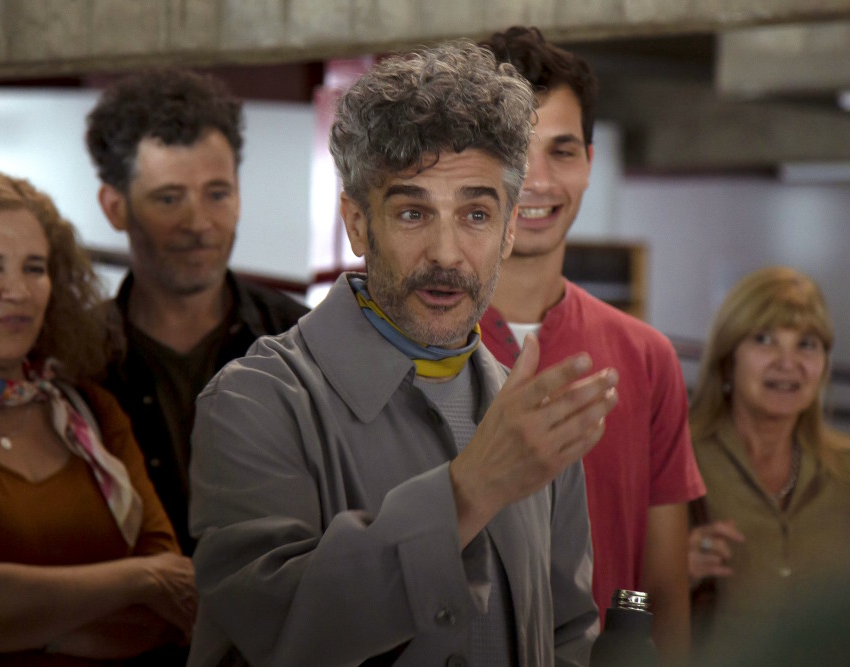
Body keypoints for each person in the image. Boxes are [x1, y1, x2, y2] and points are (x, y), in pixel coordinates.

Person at [187, 40, 620, 666]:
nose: (446, 253)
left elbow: (568, 633)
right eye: (413, 213)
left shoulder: (530, 417)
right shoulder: (254, 402)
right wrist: (468, 491)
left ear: (507, 232)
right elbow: (278, 630)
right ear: (358, 224)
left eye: (476, 215)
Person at [478, 26, 706, 660]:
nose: (537, 181)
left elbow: (660, 594)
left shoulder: (646, 358)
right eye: (511, 151)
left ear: (590, 162)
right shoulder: (415, 347)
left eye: (562, 150)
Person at [0, 164, 196, 666]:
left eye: (34, 268)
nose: (18, 290)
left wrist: (25, 632)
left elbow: (173, 601)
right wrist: (135, 579)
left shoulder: (90, 411)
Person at [85, 69, 309, 555]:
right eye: (169, 198)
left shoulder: (302, 339)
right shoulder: (76, 357)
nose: (200, 223)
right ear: (115, 207)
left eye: (217, 193)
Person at [686, 266, 850, 658]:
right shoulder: (677, 457)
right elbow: (618, 596)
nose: (788, 362)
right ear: (728, 359)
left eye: (807, 344)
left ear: (824, 365)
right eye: (764, 340)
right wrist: (668, 576)